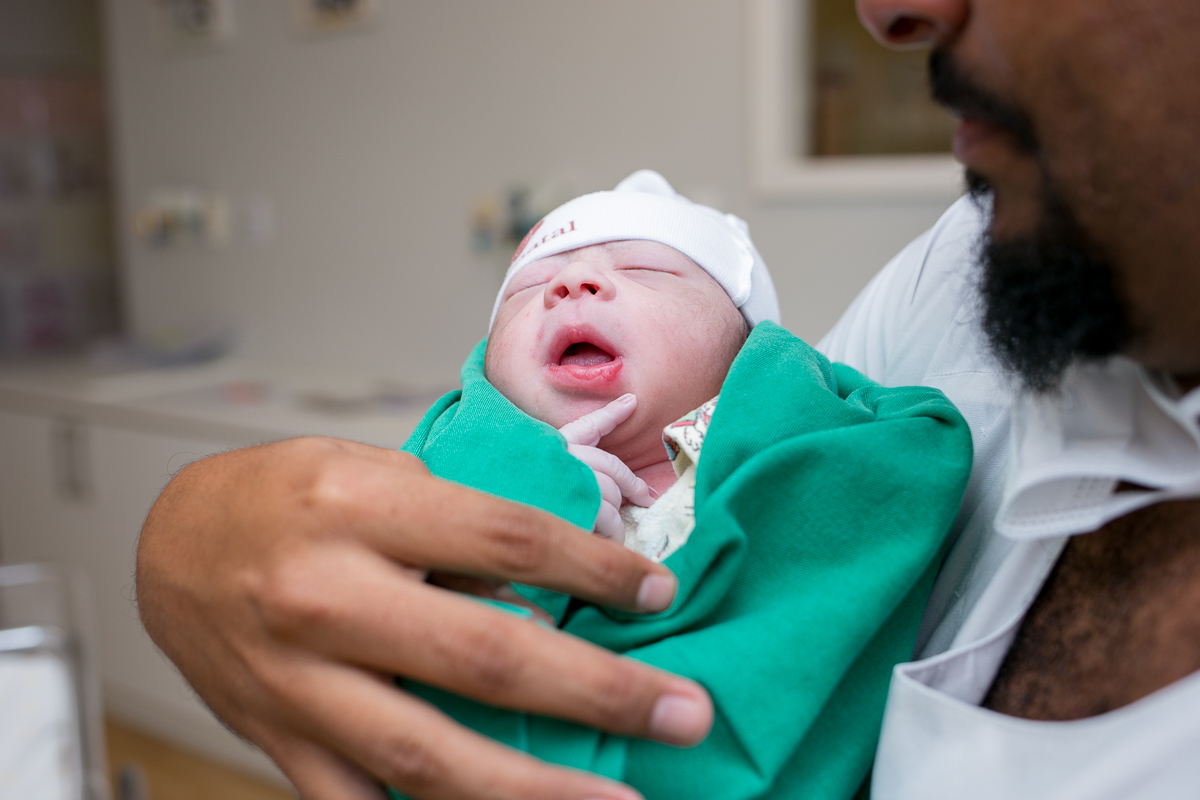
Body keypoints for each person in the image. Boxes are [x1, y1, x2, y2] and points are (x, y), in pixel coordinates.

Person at [134, 0, 1200, 797]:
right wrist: (188, 534)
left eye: (642, 275)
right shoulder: (983, 265)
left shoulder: (800, 421)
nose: (885, 12)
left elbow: (826, 473)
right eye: (538, 288)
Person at [394, 170, 971, 799]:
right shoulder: (444, 461)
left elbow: (905, 462)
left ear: (745, 343)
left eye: (644, 270)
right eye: (531, 287)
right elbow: (390, 624)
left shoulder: (815, 446)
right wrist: (519, 487)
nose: (569, 285)